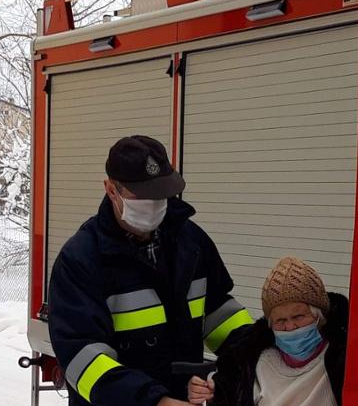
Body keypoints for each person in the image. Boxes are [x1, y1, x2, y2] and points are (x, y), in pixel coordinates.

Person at [48, 134, 257, 406]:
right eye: (142, 196)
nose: (155, 203)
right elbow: (82, 360)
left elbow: (218, 313)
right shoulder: (81, 260)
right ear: (111, 190)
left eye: (161, 193)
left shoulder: (192, 243)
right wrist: (155, 401)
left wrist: (257, 352)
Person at [204, 256, 348, 406]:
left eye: (298, 316)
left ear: (320, 316)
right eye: (280, 320)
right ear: (270, 325)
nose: (290, 327)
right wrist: (213, 396)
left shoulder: (342, 360)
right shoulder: (254, 362)